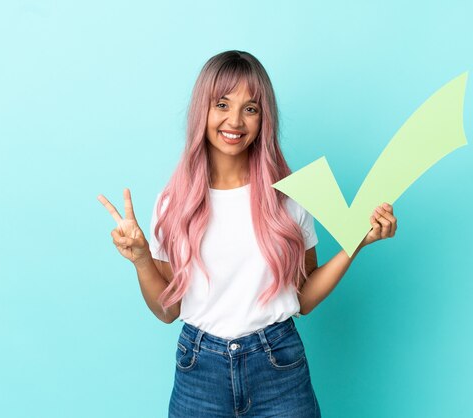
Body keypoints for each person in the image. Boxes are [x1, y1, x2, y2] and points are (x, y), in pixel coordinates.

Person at [97, 50, 397, 418]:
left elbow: (302, 299)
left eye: (250, 108)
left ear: (263, 118)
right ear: (201, 112)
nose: (234, 120)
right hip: (199, 371)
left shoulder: (290, 197)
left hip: (279, 368)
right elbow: (168, 311)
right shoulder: (173, 202)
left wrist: (357, 243)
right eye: (222, 104)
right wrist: (142, 259)